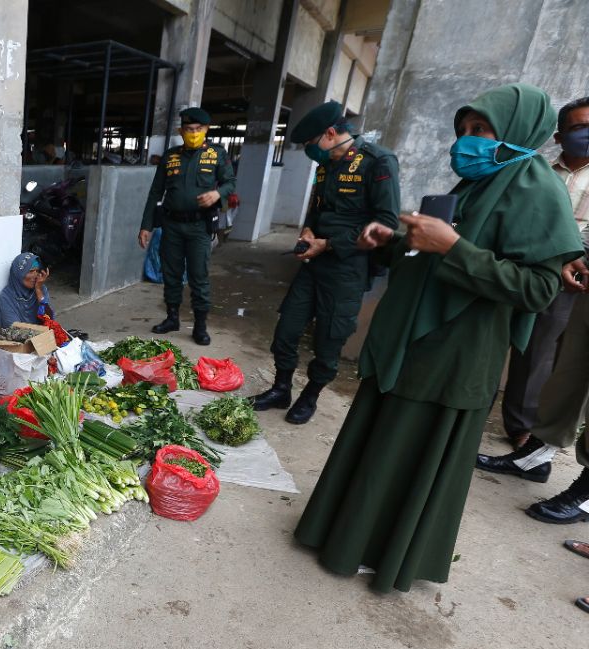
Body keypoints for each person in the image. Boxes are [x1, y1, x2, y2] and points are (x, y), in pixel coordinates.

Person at [293, 83, 584, 593]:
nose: (465, 142)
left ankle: (379, 549)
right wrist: (399, 239)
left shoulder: (535, 186)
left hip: (457, 351)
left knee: (408, 448)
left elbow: (538, 287)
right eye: (464, 130)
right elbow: (449, 244)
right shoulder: (481, 183)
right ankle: (348, 533)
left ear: (517, 131)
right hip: (416, 339)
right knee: (382, 440)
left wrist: (450, 248)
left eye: (480, 130)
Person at [249, 101, 401, 424]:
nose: (309, 152)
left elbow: (386, 224)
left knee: (330, 339)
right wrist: (308, 230)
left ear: (331, 134)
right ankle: (281, 388)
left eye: (310, 144)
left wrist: (329, 244)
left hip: (348, 269)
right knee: (287, 328)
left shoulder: (377, 162)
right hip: (313, 265)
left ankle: (311, 395)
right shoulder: (326, 166)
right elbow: (317, 209)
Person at [493, 97, 589, 450]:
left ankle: (521, 427)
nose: (586, 134)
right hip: (519, 264)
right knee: (492, 335)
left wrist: (569, 256)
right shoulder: (537, 171)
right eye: (578, 128)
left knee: (538, 352)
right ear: (560, 136)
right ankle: (469, 410)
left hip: (570, 275)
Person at [139, 107, 235, 345]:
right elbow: (155, 192)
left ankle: (200, 326)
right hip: (171, 225)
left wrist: (217, 194)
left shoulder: (216, 154)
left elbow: (230, 182)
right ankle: (172, 318)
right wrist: (146, 226)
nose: (193, 133)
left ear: (206, 129)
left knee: (198, 276)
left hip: (199, 227)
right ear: (181, 131)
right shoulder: (171, 156)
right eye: (188, 129)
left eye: (198, 129)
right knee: (170, 274)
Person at [0, 251, 53, 327]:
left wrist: (38, 291)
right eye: (31, 271)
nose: (35, 275)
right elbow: (13, 327)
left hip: (41, 336)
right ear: (19, 273)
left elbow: (50, 320)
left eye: (37, 271)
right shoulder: (6, 296)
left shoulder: (41, 289)